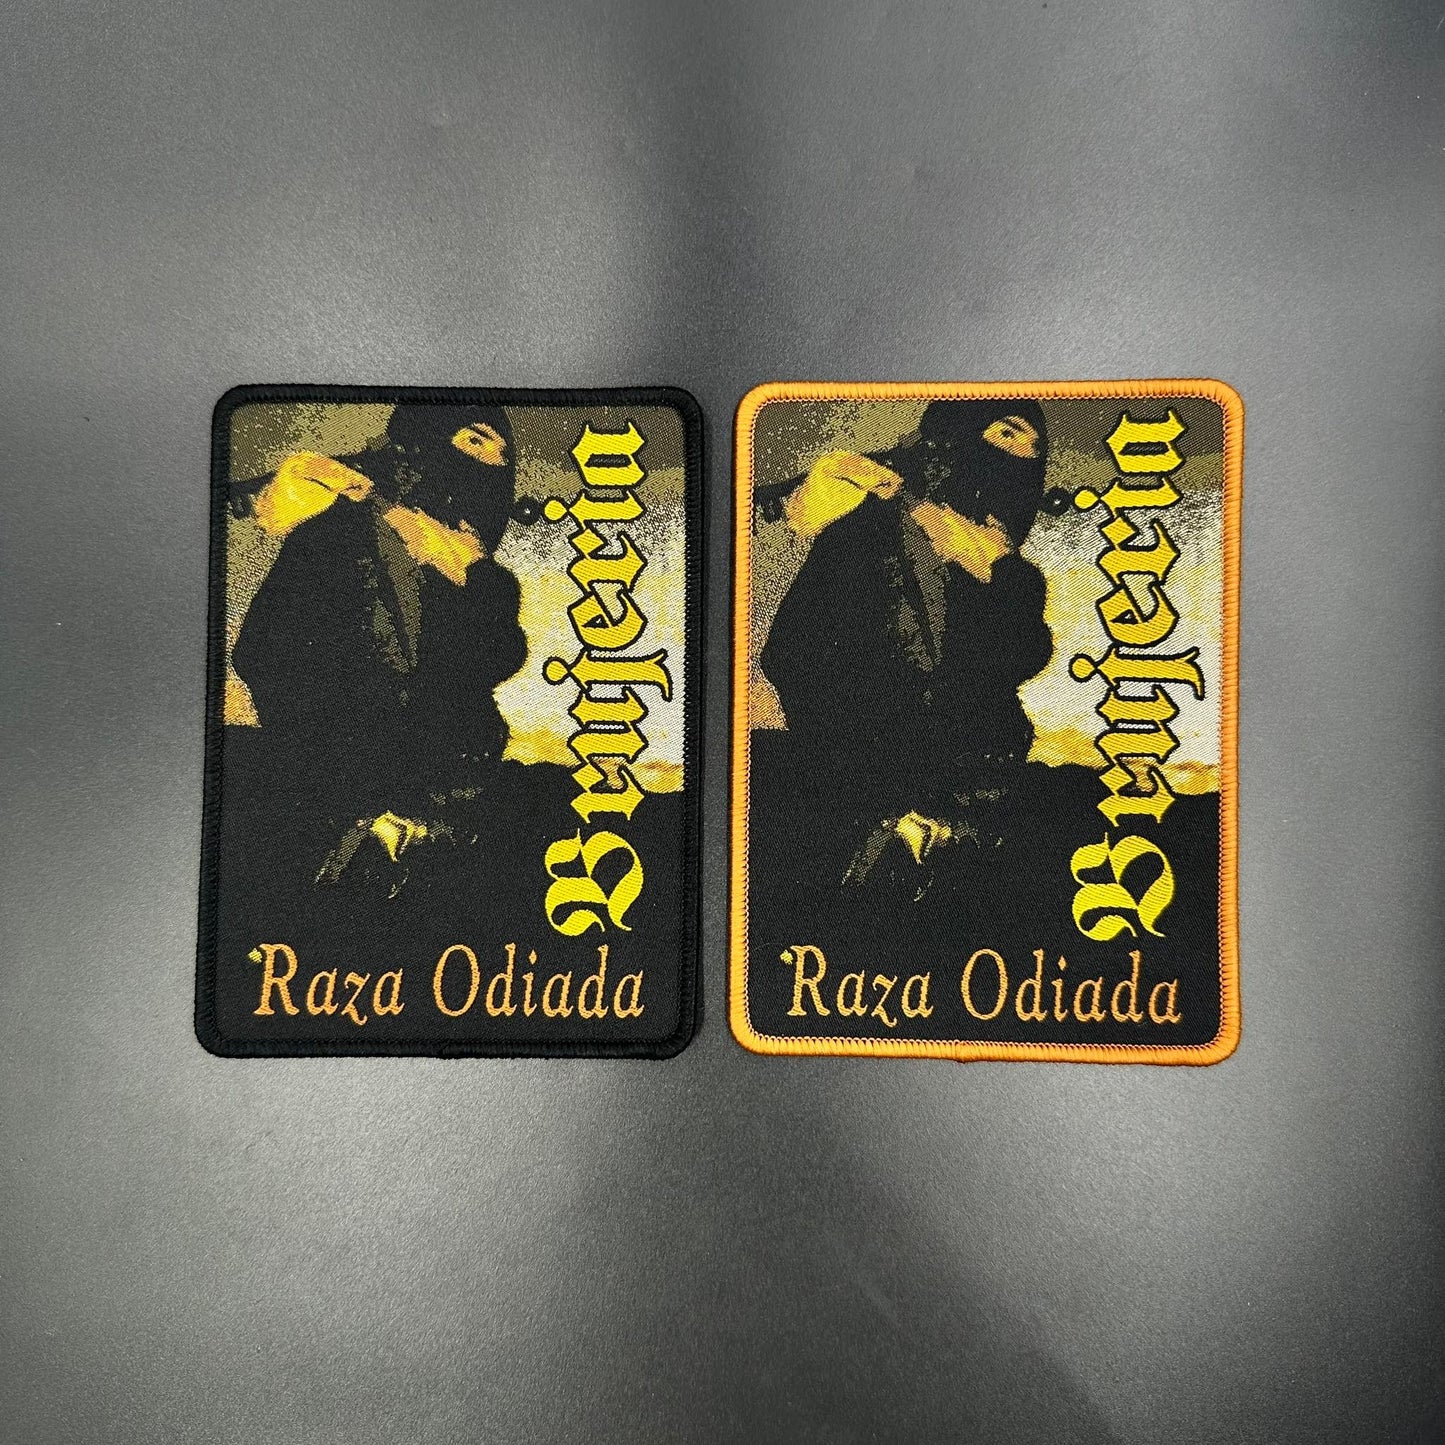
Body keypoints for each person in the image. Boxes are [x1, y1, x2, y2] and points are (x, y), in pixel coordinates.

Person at [754, 399, 1057, 908]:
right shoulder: (870, 532)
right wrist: (867, 779)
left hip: (976, 802)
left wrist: (997, 570)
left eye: (1034, 447)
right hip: (874, 798)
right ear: (958, 436)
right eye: (1007, 433)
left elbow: (1020, 655)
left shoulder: (1001, 561)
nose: (1022, 454)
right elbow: (793, 651)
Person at [228, 404, 533, 907]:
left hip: (449, 804)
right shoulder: (346, 531)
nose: (492, 463)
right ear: (423, 440)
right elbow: (266, 649)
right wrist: (350, 784)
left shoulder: (470, 561)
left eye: (502, 454)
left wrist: (474, 576)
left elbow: (492, 659)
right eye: (475, 441)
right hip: (351, 802)